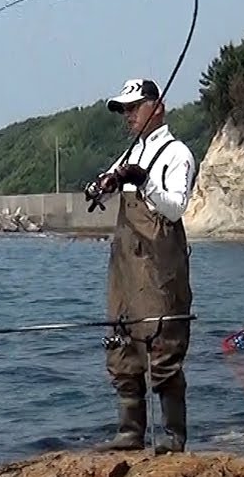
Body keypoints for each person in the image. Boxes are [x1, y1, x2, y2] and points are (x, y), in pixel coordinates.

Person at [84, 78, 197, 454]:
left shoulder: (177, 152)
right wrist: (101, 184)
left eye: (134, 107)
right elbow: (109, 183)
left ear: (158, 106)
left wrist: (144, 180)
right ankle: (129, 431)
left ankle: (172, 436)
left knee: (163, 345)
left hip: (160, 265)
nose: (128, 116)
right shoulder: (130, 151)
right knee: (120, 340)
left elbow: (176, 207)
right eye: (125, 110)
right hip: (124, 266)